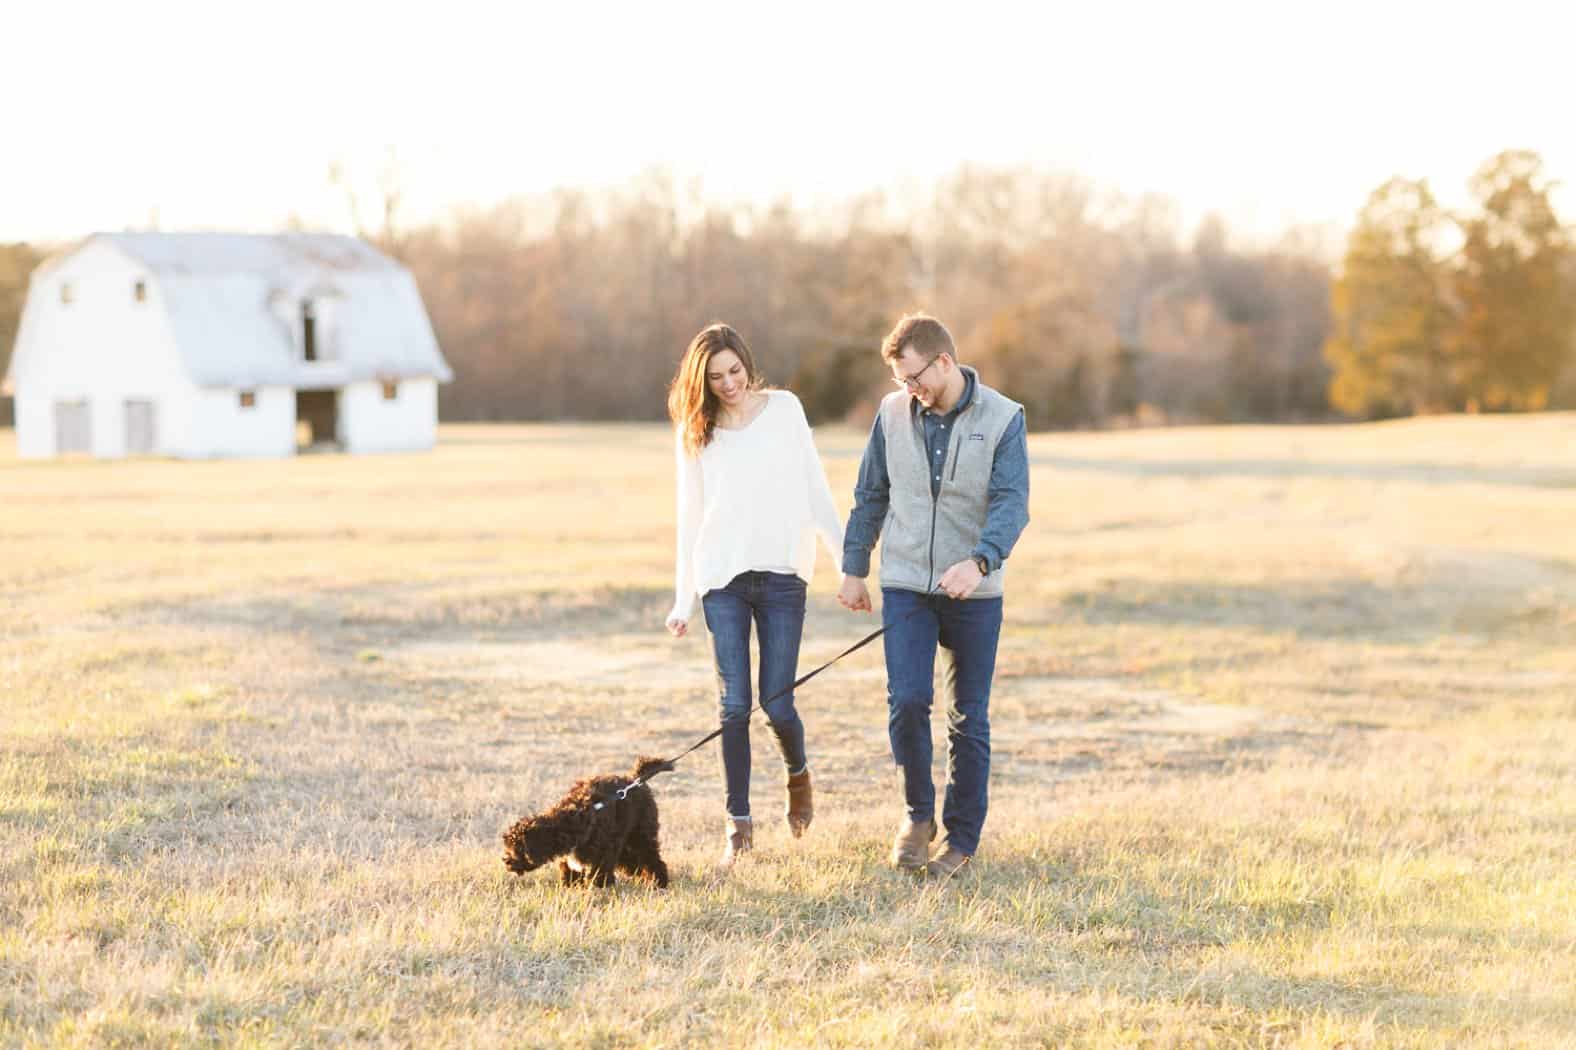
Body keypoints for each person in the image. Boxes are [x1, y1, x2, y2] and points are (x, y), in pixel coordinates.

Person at [837, 313, 1030, 879]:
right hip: (905, 585)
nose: (908, 389)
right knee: (907, 700)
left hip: (975, 590)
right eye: (900, 380)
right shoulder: (892, 414)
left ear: (944, 362)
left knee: (968, 716)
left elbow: (1012, 503)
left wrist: (979, 562)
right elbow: (870, 492)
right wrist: (854, 567)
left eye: (914, 377)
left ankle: (962, 838)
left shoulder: (1003, 417)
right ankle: (918, 816)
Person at [666, 322, 844, 868]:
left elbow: (815, 486)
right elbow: (689, 514)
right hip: (721, 575)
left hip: (782, 573)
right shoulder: (697, 429)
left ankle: (798, 774)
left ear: (747, 363)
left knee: (778, 701)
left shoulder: (785, 410)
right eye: (715, 377)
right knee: (734, 704)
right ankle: (738, 825)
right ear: (702, 380)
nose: (727, 384)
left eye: (734, 371)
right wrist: (683, 598)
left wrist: (847, 563)